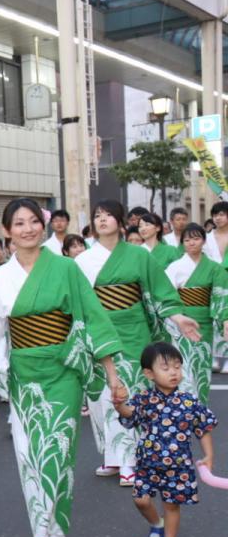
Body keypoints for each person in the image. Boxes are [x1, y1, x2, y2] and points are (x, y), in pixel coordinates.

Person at [0, 198, 124, 537]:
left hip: (62, 372)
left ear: (45, 225)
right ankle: (41, 525)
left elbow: (92, 319)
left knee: (56, 450)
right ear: (7, 232)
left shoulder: (67, 268)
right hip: (23, 375)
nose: (28, 229)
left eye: (34, 221)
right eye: (18, 223)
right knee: (28, 454)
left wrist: (113, 374)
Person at [75, 199, 201, 487]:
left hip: (132, 332)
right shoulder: (83, 261)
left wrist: (177, 315)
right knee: (102, 397)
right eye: (97, 215)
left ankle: (130, 460)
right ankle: (112, 454)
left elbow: (159, 290)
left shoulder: (139, 256)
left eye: (108, 215)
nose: (102, 219)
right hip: (99, 331)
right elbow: (77, 302)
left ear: (121, 223)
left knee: (128, 394)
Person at [112, 342, 216, 537]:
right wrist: (119, 404)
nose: (174, 372)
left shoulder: (189, 401)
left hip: (178, 465)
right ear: (149, 373)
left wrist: (209, 456)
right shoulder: (144, 398)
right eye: (166, 368)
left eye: (177, 367)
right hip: (147, 463)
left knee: (171, 504)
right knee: (141, 500)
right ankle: (156, 524)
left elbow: (203, 428)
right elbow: (130, 414)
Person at [164, 225, 228, 402]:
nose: (192, 243)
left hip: (203, 324)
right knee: (181, 365)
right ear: (182, 243)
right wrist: (176, 317)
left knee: (202, 367)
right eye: (187, 239)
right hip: (181, 322)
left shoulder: (215, 268)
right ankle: (184, 407)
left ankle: (200, 407)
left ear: (203, 241)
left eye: (196, 238)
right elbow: (166, 294)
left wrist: (225, 319)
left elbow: (221, 295)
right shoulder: (175, 267)